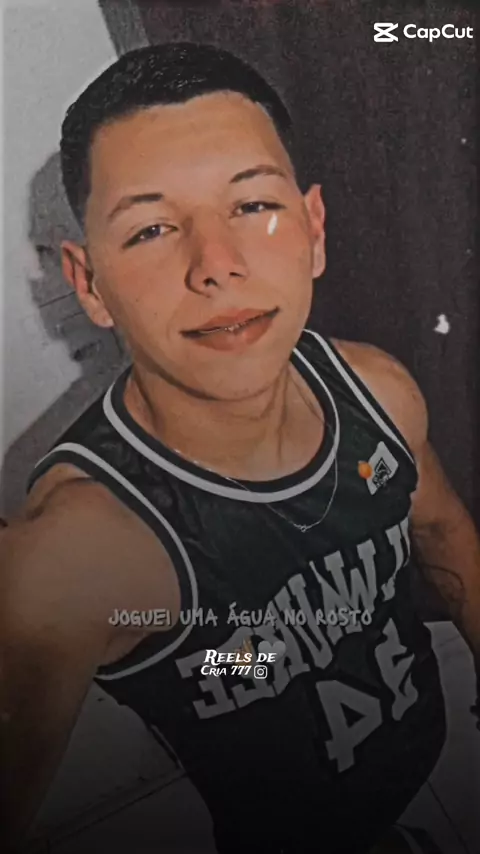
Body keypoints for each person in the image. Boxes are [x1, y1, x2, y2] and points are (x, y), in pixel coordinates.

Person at [1, 42, 479, 854]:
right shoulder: (79, 556)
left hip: (418, 768)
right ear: (89, 284)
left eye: (253, 204)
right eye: (152, 228)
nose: (216, 266)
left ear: (314, 229)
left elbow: (440, 532)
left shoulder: (379, 395)